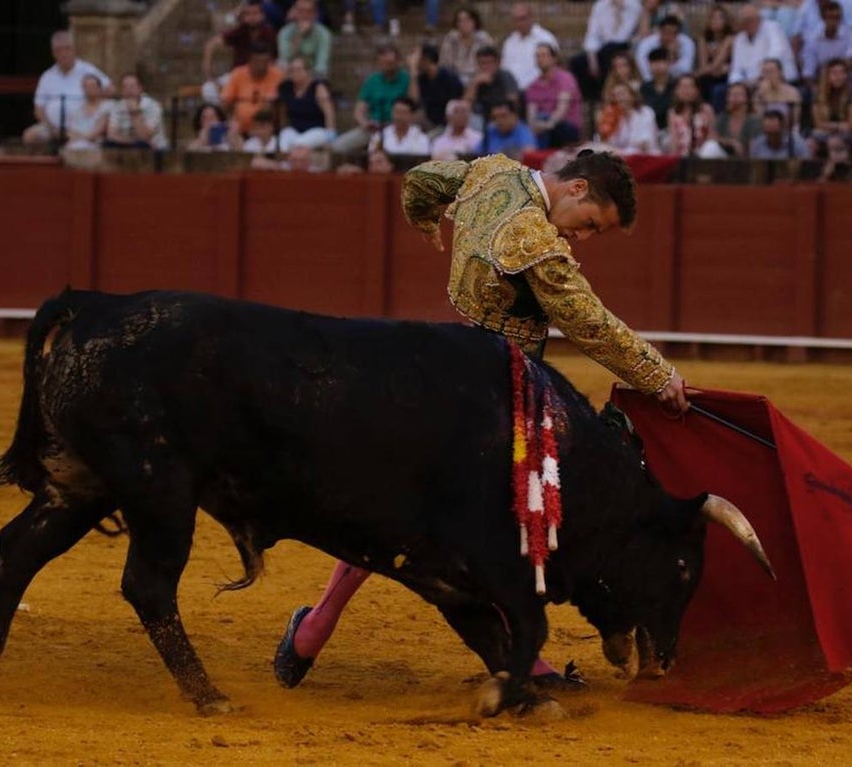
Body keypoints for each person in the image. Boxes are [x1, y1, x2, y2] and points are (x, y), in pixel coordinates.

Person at [273, 148, 693, 691]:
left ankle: (311, 630)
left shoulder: (493, 171)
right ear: (577, 189)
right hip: (496, 400)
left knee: (391, 509)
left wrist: (425, 222)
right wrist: (658, 376)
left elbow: (424, 179)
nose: (582, 239)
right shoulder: (532, 240)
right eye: (590, 225)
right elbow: (587, 322)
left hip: (442, 372)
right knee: (513, 519)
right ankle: (530, 661)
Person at [23, 31, 111, 145]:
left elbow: (110, 90)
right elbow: (38, 108)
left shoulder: (87, 70)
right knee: (30, 136)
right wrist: (51, 127)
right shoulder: (47, 76)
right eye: (59, 50)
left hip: (83, 125)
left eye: (67, 49)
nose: (63, 53)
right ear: (53, 53)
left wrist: (92, 104)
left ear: (74, 50)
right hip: (53, 128)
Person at [331, 43, 410, 155]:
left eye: (390, 63)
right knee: (337, 146)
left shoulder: (406, 79)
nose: (387, 66)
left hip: (397, 127)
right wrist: (365, 123)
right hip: (374, 128)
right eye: (383, 63)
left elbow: (414, 103)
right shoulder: (372, 80)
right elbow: (359, 110)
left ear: (397, 61)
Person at [202, 1, 278, 104]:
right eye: (248, 14)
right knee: (208, 89)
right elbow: (211, 45)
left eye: (255, 14)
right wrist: (209, 76)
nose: (252, 17)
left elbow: (273, 59)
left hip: (262, 76)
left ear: (262, 15)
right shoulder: (240, 31)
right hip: (238, 75)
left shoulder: (269, 33)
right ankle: (224, 116)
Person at [570, 0, 643, 101]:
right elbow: (592, 35)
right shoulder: (600, 6)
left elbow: (638, 33)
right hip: (604, 48)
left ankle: (609, 94)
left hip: (626, 46)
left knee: (611, 52)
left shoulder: (635, 6)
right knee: (577, 62)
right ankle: (592, 99)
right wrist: (592, 59)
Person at [525, 43, 583, 149]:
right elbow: (531, 115)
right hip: (543, 126)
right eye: (537, 56)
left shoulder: (565, 79)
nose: (540, 59)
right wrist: (537, 125)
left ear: (554, 58)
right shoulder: (533, 86)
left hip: (565, 126)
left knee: (546, 120)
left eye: (544, 55)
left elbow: (561, 110)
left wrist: (548, 124)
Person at [220, 42, 283, 136]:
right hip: (240, 130)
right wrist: (230, 119)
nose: (262, 66)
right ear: (250, 61)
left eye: (265, 62)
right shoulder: (238, 74)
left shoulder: (278, 75)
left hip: (266, 131)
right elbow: (225, 102)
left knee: (270, 104)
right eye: (258, 62)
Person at [728, 5, 797, 89]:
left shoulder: (773, 27)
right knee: (725, 90)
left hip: (780, 80)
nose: (749, 23)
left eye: (752, 20)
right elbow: (736, 69)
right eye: (745, 21)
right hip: (749, 84)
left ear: (759, 18)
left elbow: (776, 53)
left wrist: (758, 78)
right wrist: (738, 83)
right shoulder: (739, 39)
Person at [277, 56, 336, 149]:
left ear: (308, 71)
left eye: (298, 70)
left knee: (298, 145)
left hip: (316, 130)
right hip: (295, 129)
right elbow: (283, 112)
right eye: (292, 70)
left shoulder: (318, 87)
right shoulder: (286, 88)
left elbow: (329, 112)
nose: (294, 73)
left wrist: (330, 134)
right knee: (283, 141)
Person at [500, 2, 560, 92]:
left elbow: (554, 69)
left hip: (538, 90)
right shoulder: (509, 42)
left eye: (523, 18)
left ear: (531, 18)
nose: (520, 23)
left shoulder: (546, 38)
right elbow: (504, 69)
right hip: (512, 92)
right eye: (516, 20)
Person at [406, 44, 464, 131]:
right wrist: (413, 73)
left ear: (426, 59)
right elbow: (413, 102)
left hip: (446, 125)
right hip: (428, 122)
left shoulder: (449, 78)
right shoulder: (422, 79)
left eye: (416, 58)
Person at [664, 73, 722, 157]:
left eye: (690, 87)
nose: (686, 91)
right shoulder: (672, 113)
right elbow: (674, 141)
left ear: (697, 90)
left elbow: (713, 136)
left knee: (711, 147)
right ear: (676, 91)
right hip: (683, 155)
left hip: (705, 154)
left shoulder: (706, 109)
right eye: (682, 87)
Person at [104, 74, 167, 150]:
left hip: (153, 148)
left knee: (141, 145)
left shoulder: (153, 106)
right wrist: (131, 142)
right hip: (126, 144)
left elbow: (145, 137)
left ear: (140, 88)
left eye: (132, 87)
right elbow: (111, 134)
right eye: (125, 87)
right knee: (107, 143)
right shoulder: (117, 106)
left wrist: (135, 113)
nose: (128, 90)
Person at [463, 46, 520, 129]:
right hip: (481, 118)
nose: (485, 67)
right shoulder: (476, 79)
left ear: (497, 63)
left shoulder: (506, 77)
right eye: (482, 63)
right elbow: (465, 105)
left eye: (489, 63)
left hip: (501, 117)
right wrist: (474, 84)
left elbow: (513, 101)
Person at [597, 82, 658, 153]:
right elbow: (608, 141)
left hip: (645, 155)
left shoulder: (646, 112)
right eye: (615, 95)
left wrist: (616, 150)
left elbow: (644, 143)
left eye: (622, 94)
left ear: (632, 96)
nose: (619, 98)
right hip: (621, 155)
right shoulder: (614, 116)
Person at [276, 0, 331, 77]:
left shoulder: (323, 33)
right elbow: (284, 59)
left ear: (315, 14)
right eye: (301, 11)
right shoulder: (285, 32)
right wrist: (299, 36)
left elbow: (321, 65)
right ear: (294, 12)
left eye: (309, 12)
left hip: (313, 77)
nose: (305, 15)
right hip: (290, 75)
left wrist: (305, 76)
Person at [633, 14, 695, 82]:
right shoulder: (646, 44)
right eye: (667, 32)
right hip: (651, 82)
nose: (669, 36)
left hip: (677, 83)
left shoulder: (687, 43)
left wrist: (672, 55)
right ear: (660, 31)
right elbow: (644, 70)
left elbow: (685, 70)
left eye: (674, 33)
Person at [439, 7, 493, 83]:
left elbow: (490, 64)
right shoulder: (450, 39)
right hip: (455, 80)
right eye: (460, 21)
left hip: (478, 79)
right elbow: (444, 65)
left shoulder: (484, 39)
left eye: (467, 20)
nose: (464, 24)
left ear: (474, 22)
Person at [695, 4, 735, 103]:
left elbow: (716, 63)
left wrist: (698, 73)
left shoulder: (730, 39)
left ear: (726, 21)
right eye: (713, 17)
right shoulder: (704, 40)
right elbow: (704, 65)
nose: (715, 21)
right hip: (709, 75)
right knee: (703, 81)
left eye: (719, 18)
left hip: (726, 76)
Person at [63, 73, 111, 150]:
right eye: (86, 87)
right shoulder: (76, 108)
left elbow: (98, 131)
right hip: (75, 143)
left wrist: (80, 137)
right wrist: (78, 138)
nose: (89, 89)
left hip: (96, 145)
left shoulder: (107, 106)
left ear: (100, 88)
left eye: (92, 86)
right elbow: (70, 131)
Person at [714, 81, 762, 157]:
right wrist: (731, 143)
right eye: (732, 95)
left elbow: (755, 146)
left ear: (747, 98)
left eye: (738, 94)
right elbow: (712, 137)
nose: (734, 97)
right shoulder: (723, 117)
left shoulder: (754, 120)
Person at [639, 47, 676, 131]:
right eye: (654, 62)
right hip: (650, 129)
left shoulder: (676, 85)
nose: (657, 65)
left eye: (661, 61)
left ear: (669, 63)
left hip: (672, 128)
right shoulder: (644, 88)